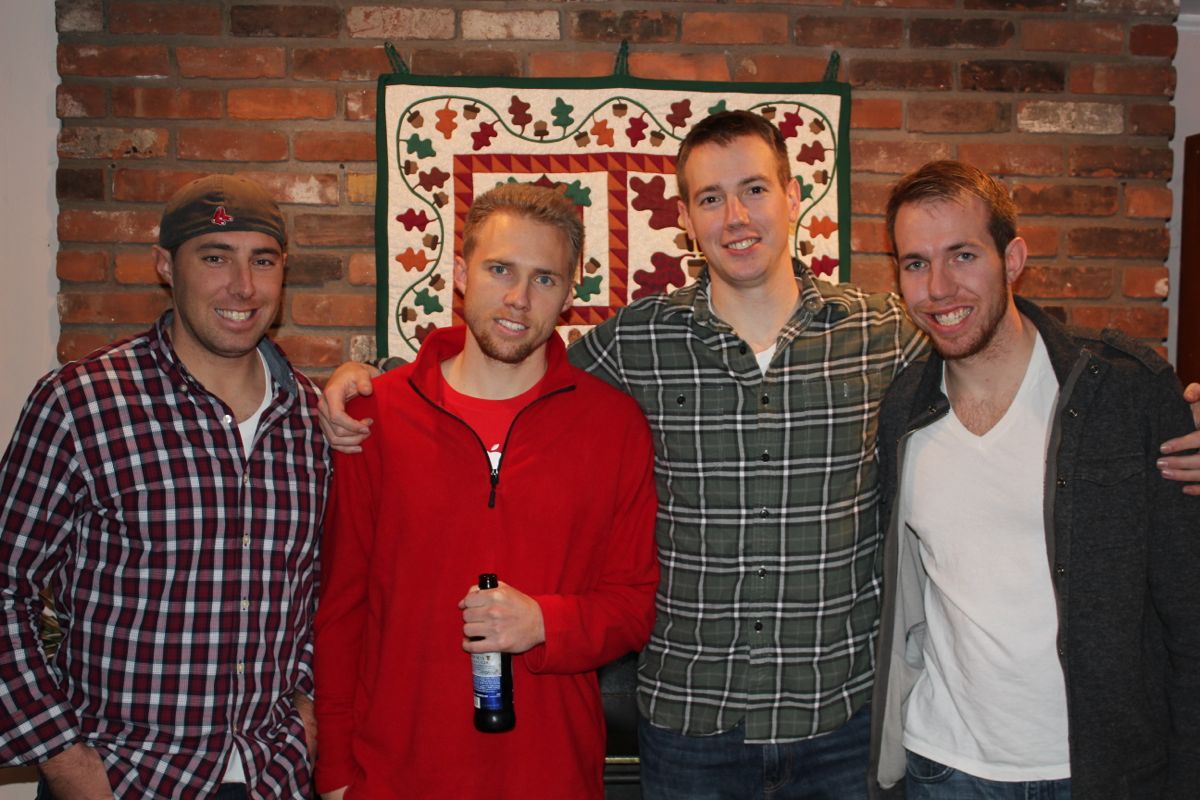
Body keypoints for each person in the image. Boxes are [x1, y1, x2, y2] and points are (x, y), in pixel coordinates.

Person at [319, 113, 1200, 798]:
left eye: (752, 190)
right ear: (683, 219)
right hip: (689, 731)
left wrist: (1164, 406)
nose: (734, 216)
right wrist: (379, 380)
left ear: (792, 198)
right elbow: (510, 356)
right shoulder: (635, 344)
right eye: (709, 198)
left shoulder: (886, 332)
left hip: (842, 724)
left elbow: (1003, 341)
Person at [311, 182, 659, 799]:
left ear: (570, 293)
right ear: (460, 273)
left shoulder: (614, 426)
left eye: (544, 278)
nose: (519, 298)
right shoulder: (377, 415)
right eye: (500, 269)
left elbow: (634, 606)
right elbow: (343, 606)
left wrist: (544, 622)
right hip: (396, 777)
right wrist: (335, 771)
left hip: (550, 776)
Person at [869, 160, 1200, 799]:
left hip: (1099, 771)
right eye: (915, 263)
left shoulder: (1125, 394)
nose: (938, 287)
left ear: (1013, 259)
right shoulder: (903, 411)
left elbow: (1189, 613)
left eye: (963, 255)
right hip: (944, 767)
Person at [0, 175, 330, 798]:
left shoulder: (312, 418)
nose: (244, 286)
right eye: (215, 258)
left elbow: (323, 585)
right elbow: (5, 587)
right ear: (164, 266)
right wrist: (65, 762)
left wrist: (308, 702)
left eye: (263, 261)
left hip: (272, 777)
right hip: (123, 778)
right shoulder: (81, 404)